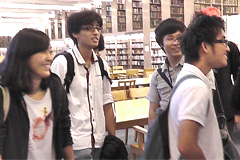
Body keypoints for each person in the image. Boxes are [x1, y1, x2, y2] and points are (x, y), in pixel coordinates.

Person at [0, 28, 74, 159]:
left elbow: (64, 131)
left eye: (50, 52)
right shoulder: (4, 94)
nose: (50, 58)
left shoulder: (55, 86)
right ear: (23, 55)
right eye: (43, 51)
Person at [51, 10, 115, 159]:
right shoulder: (62, 63)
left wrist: (112, 138)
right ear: (75, 33)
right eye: (89, 28)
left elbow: (107, 101)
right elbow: (54, 105)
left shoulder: (101, 64)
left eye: (98, 28)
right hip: (74, 142)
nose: (96, 33)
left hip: (99, 140)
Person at [168, 14, 229, 159]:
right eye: (223, 41)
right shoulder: (195, 87)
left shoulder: (189, 78)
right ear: (205, 46)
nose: (227, 49)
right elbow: (186, 145)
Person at [201, 6, 240, 137]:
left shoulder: (231, 48)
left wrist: (236, 108)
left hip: (226, 106)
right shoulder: (198, 50)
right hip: (204, 108)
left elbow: (237, 76)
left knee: (225, 146)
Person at [147, 18, 186, 127]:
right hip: (166, 131)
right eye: (170, 38)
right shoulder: (157, 75)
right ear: (161, 44)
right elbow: (153, 110)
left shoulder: (196, 67)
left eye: (179, 38)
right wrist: (153, 137)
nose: (176, 43)